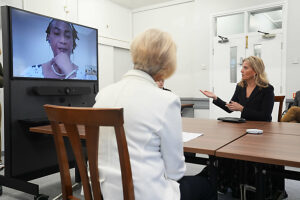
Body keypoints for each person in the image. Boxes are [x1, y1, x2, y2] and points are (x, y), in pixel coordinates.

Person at [93, 29, 216, 200]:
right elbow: (175, 172)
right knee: (206, 186)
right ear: (167, 62)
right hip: (144, 194)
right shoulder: (166, 100)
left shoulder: (104, 94)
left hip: (102, 191)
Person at [201, 56, 274, 121]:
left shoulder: (267, 89)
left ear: (255, 71)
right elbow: (229, 108)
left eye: (245, 68)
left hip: (262, 128)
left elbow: (265, 116)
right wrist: (215, 98)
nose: (241, 71)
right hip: (244, 127)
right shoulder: (240, 87)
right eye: (242, 67)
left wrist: (241, 109)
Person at [23, 19, 95, 80]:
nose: (63, 41)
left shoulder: (88, 75)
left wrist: (70, 74)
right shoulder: (30, 72)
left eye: (67, 36)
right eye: (57, 33)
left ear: (73, 41)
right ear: (48, 37)